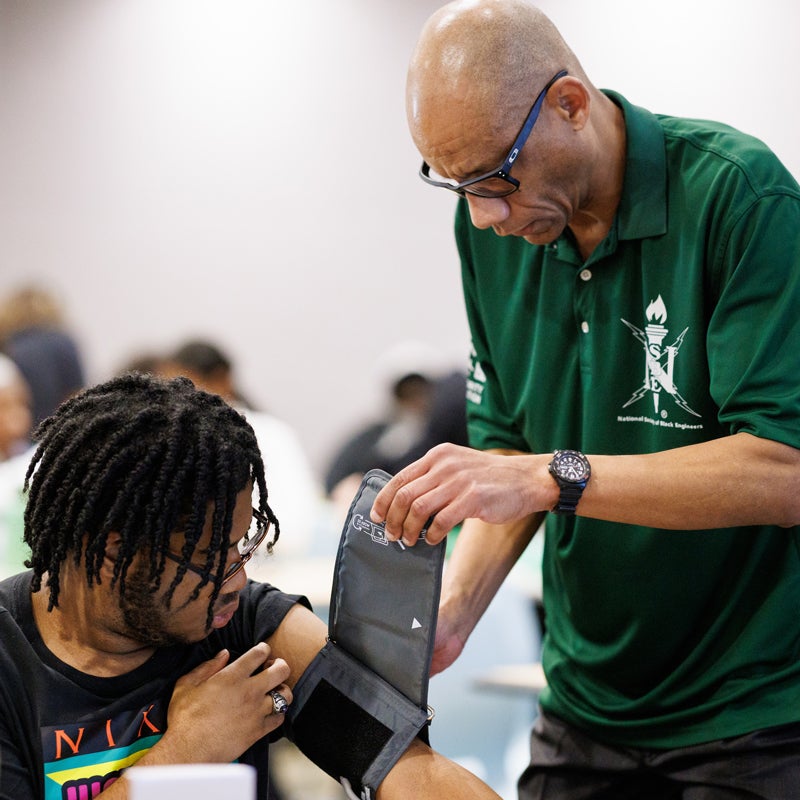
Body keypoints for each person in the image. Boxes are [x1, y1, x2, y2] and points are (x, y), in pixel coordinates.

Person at [370, 1, 800, 798]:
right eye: (456, 184)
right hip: (583, 708)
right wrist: (453, 615)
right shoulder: (493, 234)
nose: (484, 215)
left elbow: (783, 469)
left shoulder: (738, 196)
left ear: (570, 104)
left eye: (497, 177)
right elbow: (508, 446)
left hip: (751, 714)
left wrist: (552, 475)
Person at [0, 373, 501, 800]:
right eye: (205, 560)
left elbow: (407, 769)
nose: (238, 578)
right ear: (114, 551)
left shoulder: (248, 627)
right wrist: (186, 750)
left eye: (242, 545)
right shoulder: (10, 662)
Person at [156, 338, 321, 558]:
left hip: (269, 562)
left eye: (184, 384)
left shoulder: (271, 434)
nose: (175, 399)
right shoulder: (171, 440)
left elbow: (297, 527)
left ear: (221, 380)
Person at [0, 285, 86, 430]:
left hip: (18, 433)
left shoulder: (9, 345)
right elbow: (76, 397)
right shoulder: (64, 343)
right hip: (56, 433)